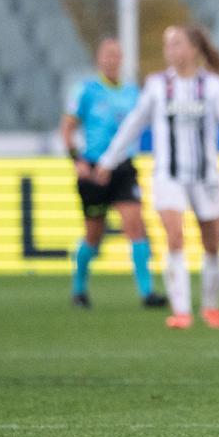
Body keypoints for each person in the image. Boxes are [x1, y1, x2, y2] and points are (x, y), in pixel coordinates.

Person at [94, 25, 219, 329]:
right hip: (169, 175)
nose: (170, 51)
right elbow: (134, 124)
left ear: (193, 48)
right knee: (174, 237)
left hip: (206, 175)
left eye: (176, 44)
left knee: (213, 243)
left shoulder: (212, 85)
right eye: (168, 45)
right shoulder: (156, 85)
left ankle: (210, 307)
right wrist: (109, 160)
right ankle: (181, 311)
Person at [60, 37, 166, 309]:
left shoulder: (133, 92)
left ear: (121, 60)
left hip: (123, 168)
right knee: (94, 236)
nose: (111, 60)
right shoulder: (86, 91)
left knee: (136, 226)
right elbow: (68, 127)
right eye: (107, 55)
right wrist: (77, 161)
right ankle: (79, 289)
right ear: (99, 59)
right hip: (94, 169)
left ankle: (146, 293)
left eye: (115, 55)